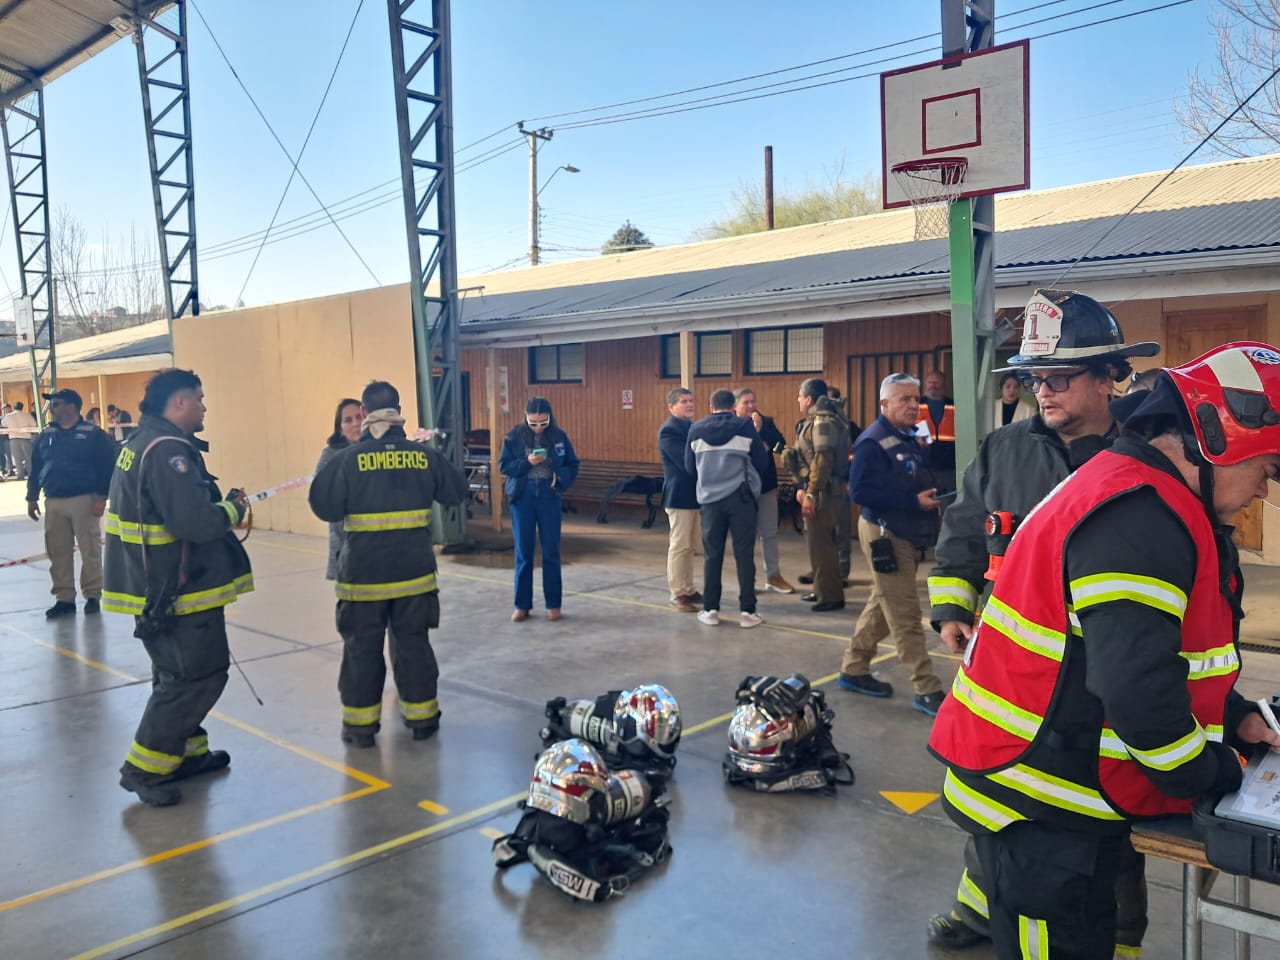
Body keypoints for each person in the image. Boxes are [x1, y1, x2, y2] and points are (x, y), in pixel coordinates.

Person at [930, 342, 1280, 960]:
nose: (1262, 490)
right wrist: (1215, 772)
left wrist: (1232, 717)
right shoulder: (1141, 516)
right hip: (1041, 803)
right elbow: (1137, 690)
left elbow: (1143, 654)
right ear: (1216, 439)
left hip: (1056, 789)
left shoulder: (1137, 491)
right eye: (1265, 469)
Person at [924, 288, 1161, 953]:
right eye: (1034, 379)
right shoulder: (1005, 450)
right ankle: (978, 910)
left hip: (1098, 680)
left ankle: (1119, 940)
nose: (1042, 391)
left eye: (1059, 377)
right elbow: (963, 532)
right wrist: (951, 607)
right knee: (997, 805)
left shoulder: (1143, 459)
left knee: (1106, 822)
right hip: (1008, 675)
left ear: (1109, 377)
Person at [103, 369, 253, 806]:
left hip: (156, 587)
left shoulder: (139, 442)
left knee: (174, 674)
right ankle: (143, 770)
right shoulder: (169, 452)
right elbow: (194, 523)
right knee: (197, 676)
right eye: (199, 399)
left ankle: (185, 755)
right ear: (180, 403)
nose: (205, 407)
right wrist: (232, 509)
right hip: (179, 590)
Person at [309, 380, 468, 748]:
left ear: (365, 413)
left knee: (361, 652)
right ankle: (423, 720)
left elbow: (323, 506)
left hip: (362, 580)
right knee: (414, 647)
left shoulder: (346, 460)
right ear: (399, 410)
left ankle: (360, 729)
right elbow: (456, 492)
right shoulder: (424, 456)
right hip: (414, 577)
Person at [839, 372, 946, 715]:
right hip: (885, 533)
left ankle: (854, 667)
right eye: (905, 399)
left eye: (916, 399)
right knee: (905, 613)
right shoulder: (871, 442)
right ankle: (926, 688)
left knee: (883, 602)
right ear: (884, 403)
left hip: (907, 530)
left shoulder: (909, 436)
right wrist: (913, 502)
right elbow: (859, 492)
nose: (914, 405)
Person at [25, 388, 117, 618]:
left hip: (84, 500)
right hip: (54, 500)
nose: (52, 409)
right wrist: (32, 497)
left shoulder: (93, 434)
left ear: (71, 407)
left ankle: (92, 595)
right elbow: (36, 467)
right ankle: (64, 598)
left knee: (90, 550)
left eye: (56, 404)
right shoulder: (47, 435)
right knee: (58, 552)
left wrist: (101, 497)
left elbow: (107, 466)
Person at [685, 388, 770, 628]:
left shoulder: (695, 429)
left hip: (710, 501)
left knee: (712, 556)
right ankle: (748, 612)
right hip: (740, 500)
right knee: (744, 555)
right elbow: (761, 462)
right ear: (733, 406)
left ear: (711, 407)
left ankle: (711, 610)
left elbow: (689, 468)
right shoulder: (745, 427)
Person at [498, 397, 580, 622]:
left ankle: (553, 604)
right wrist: (527, 462)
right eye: (533, 423)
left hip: (548, 494)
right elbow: (504, 466)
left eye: (543, 423)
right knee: (523, 552)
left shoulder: (559, 437)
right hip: (523, 495)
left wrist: (558, 479)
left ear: (550, 418)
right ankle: (522, 605)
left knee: (551, 551)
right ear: (525, 417)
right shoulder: (513, 437)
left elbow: (572, 465)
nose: (538, 427)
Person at [782, 378, 846, 612]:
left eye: (800, 397)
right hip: (821, 489)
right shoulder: (820, 420)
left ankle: (830, 596)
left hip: (824, 492)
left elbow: (822, 460)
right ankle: (822, 589)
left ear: (808, 399)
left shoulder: (822, 422)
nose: (798, 400)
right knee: (818, 545)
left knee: (823, 545)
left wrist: (811, 493)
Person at [733, 387, 795, 594]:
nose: (751, 406)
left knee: (769, 533)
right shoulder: (731, 425)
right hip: (741, 488)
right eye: (746, 402)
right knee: (744, 536)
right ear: (735, 406)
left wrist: (760, 431)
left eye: (753, 401)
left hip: (766, 485)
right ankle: (747, 582)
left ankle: (773, 576)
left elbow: (780, 444)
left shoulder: (765, 421)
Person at [658, 387, 702, 613]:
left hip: (694, 495)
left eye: (691, 400)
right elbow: (686, 461)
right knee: (679, 545)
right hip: (679, 495)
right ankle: (677, 593)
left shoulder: (692, 427)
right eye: (684, 401)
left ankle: (688, 588)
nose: (690, 404)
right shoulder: (669, 431)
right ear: (671, 407)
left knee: (691, 546)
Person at [315, 398, 362, 581]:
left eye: (359, 417)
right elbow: (320, 495)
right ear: (340, 429)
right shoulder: (330, 455)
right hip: (345, 539)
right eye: (348, 420)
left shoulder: (380, 449)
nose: (355, 423)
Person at [826, 386, 856, 578]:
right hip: (822, 484)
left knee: (841, 530)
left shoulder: (847, 426)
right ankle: (823, 569)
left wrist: (849, 480)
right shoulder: (815, 424)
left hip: (841, 483)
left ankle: (842, 571)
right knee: (822, 532)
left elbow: (856, 457)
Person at [919, 370, 957, 498]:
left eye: (936, 382)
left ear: (944, 384)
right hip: (924, 466)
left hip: (949, 467)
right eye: (930, 382)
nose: (933, 385)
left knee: (950, 503)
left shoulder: (954, 405)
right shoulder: (915, 406)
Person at [6, 401, 37, 479]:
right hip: (26, 439)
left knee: (17, 458)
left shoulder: (8, 416)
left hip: (13, 439)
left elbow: (3, 424)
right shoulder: (27, 416)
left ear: (13, 408)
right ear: (22, 408)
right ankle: (31, 474)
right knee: (28, 458)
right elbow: (34, 424)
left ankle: (20, 475)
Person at [0, 401, 12, 478]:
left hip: (9, 438)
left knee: (9, 455)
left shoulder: (12, 418)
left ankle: (11, 469)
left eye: (7, 408)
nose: (5, 410)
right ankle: (3, 469)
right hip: (1, 439)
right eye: (4, 409)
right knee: (1, 455)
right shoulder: (0, 418)